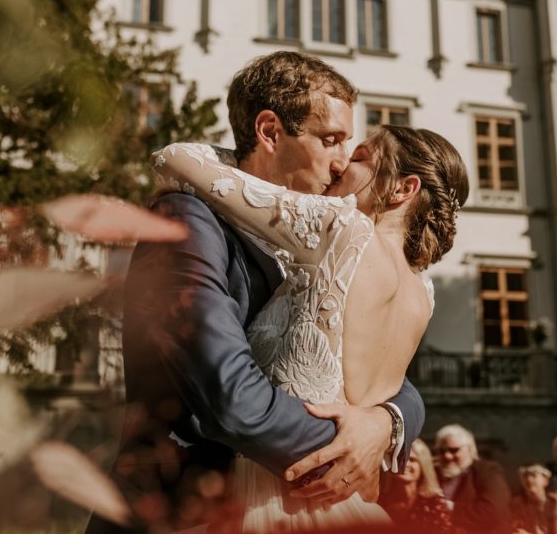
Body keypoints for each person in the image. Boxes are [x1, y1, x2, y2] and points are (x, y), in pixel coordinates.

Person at [85, 52, 433, 533]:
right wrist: (345, 449)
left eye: (349, 146)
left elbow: (382, 364)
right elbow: (230, 395)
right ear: (269, 131)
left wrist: (384, 424)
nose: (340, 164)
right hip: (185, 509)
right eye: (331, 141)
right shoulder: (186, 220)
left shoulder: (325, 234)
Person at [151, 114, 469, 528]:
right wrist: (390, 422)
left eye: (359, 157)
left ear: (401, 189)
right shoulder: (422, 291)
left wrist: (253, 163)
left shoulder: (343, 227)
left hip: (270, 502)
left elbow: (172, 158)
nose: (339, 165)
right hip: (349, 504)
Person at [434, 424, 512, 533]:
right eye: (441, 451)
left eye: (454, 450)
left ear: (470, 449)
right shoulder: (434, 474)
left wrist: (445, 507)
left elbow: (490, 513)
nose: (447, 456)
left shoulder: (487, 471)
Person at [378, 438, 454, 532]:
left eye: (412, 460)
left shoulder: (435, 503)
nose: (405, 464)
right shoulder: (379, 502)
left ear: (423, 466)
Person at [509, 464, 557, 534]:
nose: (529, 479)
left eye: (533, 475)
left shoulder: (556, 504)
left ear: (545, 481)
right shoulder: (517, 503)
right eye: (525, 476)